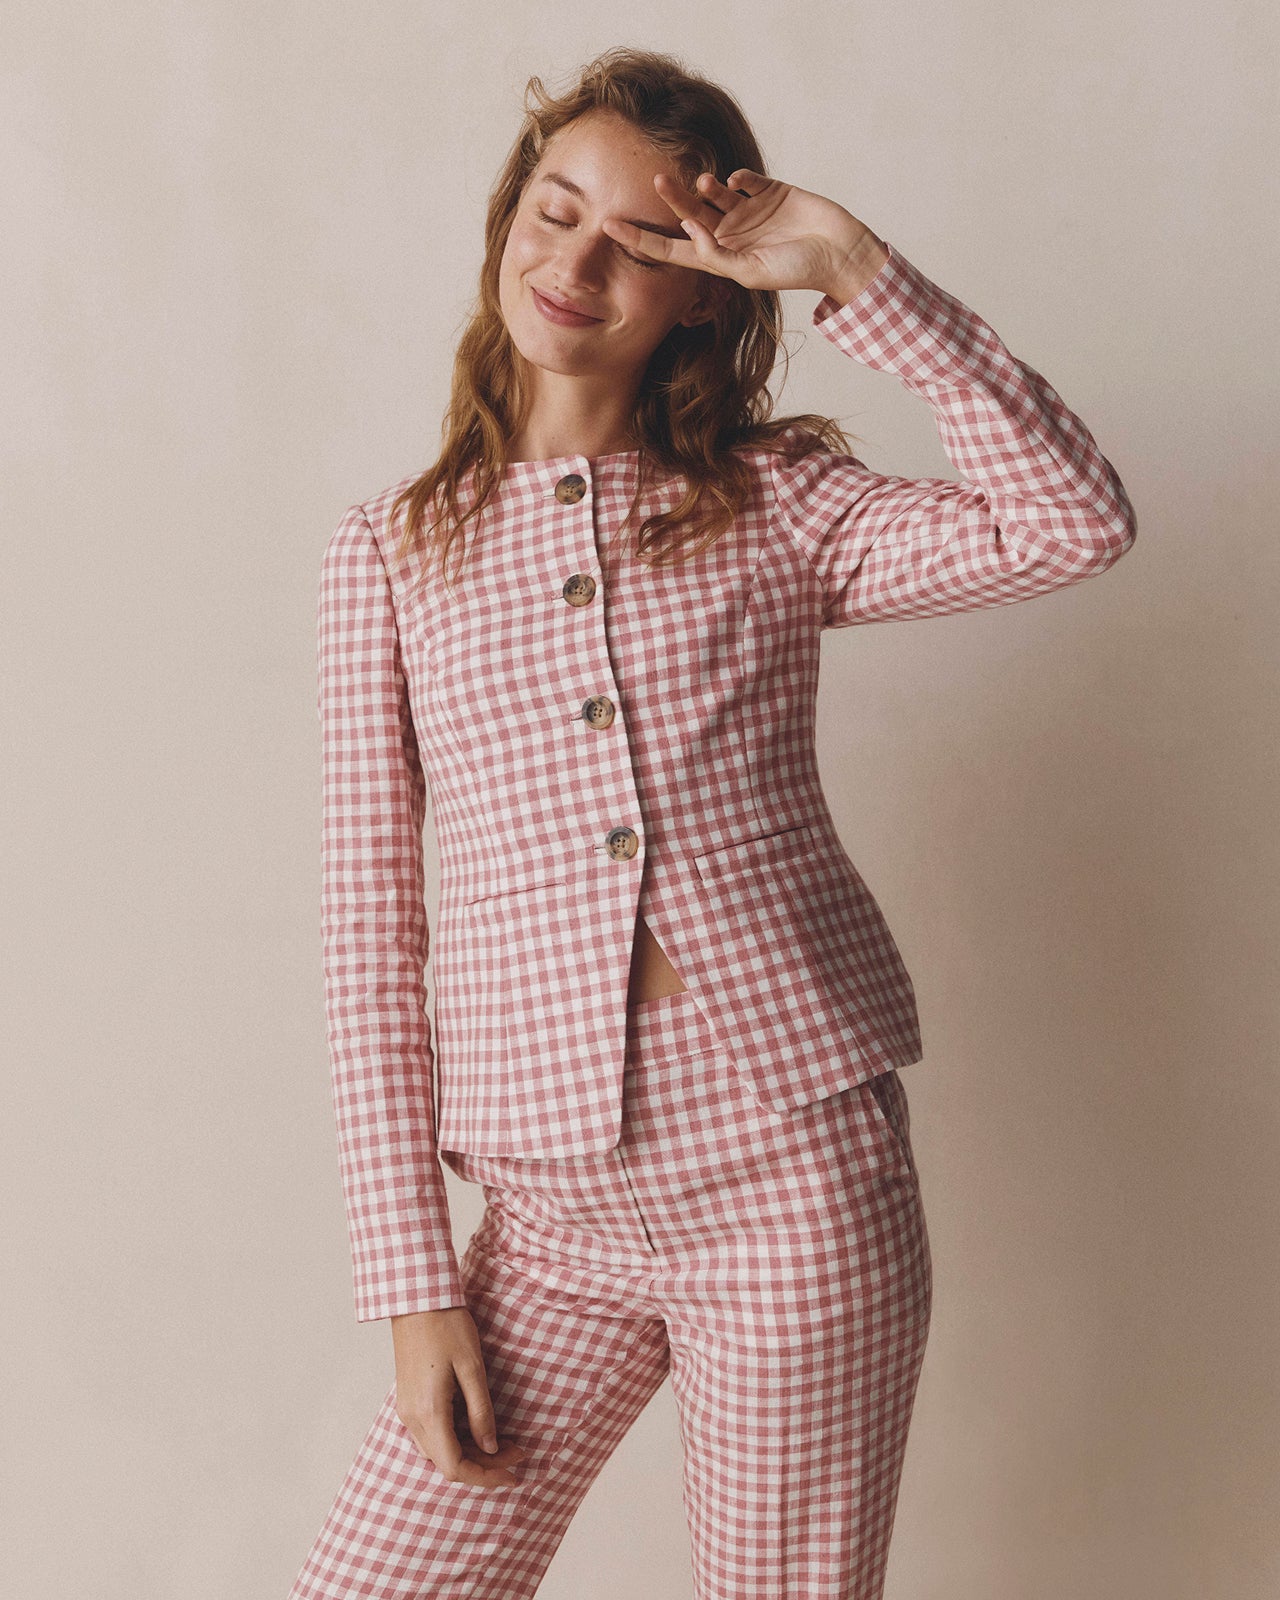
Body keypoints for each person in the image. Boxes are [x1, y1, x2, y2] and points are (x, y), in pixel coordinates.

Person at [289, 45, 1136, 1600]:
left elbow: (1071, 524)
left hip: (789, 1179)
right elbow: (367, 940)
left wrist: (862, 274)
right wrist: (415, 1287)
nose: (578, 263)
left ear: (703, 289)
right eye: (556, 212)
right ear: (505, 222)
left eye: (640, 242)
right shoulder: (391, 553)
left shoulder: (779, 508)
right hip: (545, 1222)